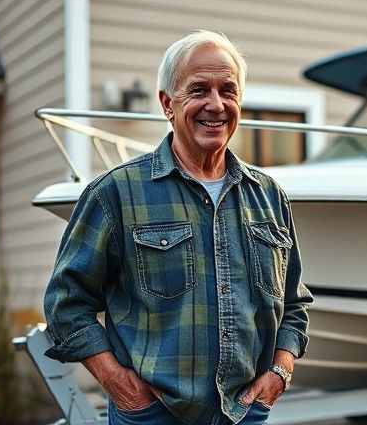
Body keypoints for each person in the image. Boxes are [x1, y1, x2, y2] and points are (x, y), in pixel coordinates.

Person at [43, 30, 314, 425]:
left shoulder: (269, 196)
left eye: (228, 90)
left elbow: (294, 303)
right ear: (168, 104)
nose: (216, 105)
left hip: (245, 413)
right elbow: (65, 304)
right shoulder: (115, 194)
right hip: (151, 415)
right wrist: (118, 383)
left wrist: (280, 373)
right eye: (199, 90)